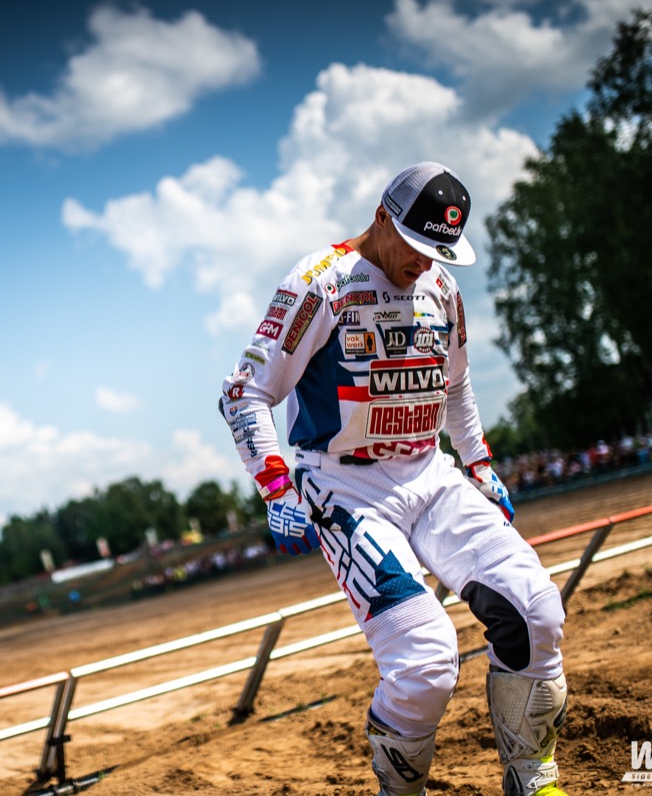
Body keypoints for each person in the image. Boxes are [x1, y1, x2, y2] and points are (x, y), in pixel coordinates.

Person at [220, 163, 567, 796]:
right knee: (426, 661)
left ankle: (533, 778)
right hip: (346, 488)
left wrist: (479, 463)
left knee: (536, 609)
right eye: (415, 245)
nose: (424, 263)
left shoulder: (441, 287)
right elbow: (244, 391)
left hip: (432, 473)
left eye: (439, 252)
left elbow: (456, 384)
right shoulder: (320, 282)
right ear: (382, 217)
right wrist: (276, 487)